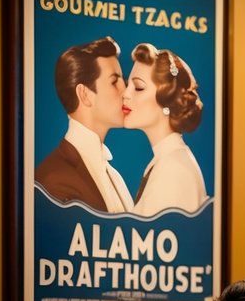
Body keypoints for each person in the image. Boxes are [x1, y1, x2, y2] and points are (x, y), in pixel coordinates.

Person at [35, 36, 134, 213]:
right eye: (114, 81)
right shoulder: (54, 178)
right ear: (85, 94)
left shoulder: (114, 175)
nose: (126, 91)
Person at [123, 43, 208, 215]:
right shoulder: (166, 160)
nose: (125, 94)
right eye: (127, 85)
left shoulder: (172, 170)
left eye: (138, 87)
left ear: (166, 99)